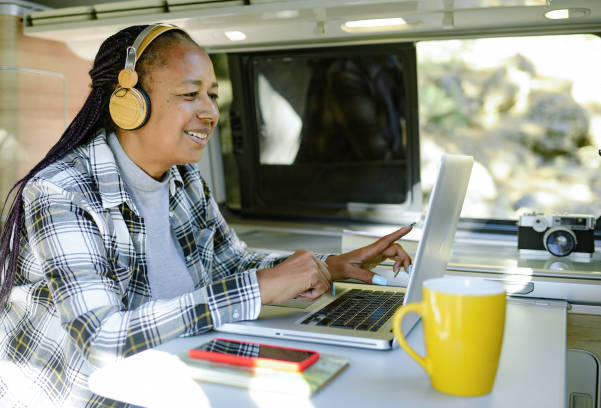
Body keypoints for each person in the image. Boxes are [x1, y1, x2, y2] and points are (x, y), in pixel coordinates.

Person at [0, 24, 412, 407]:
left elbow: (230, 263)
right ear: (129, 103)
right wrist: (257, 288)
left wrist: (328, 265)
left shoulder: (184, 178)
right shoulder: (62, 191)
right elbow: (103, 338)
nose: (210, 112)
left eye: (212, 95)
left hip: (164, 375)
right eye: (189, 94)